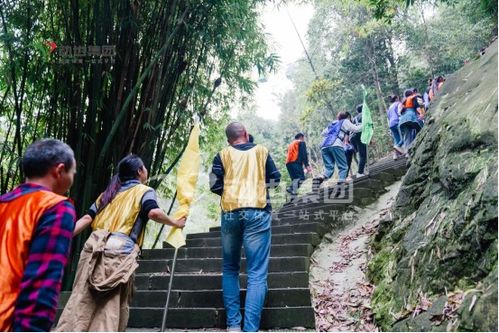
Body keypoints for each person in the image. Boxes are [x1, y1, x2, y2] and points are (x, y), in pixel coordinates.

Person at [56, 154, 186, 331]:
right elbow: (153, 213)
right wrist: (176, 223)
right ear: (140, 171)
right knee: (110, 304)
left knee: (82, 298)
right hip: (119, 250)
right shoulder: (144, 191)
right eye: (144, 167)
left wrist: (60, 237)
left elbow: (87, 217)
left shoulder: (108, 193)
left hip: (93, 246)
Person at [210, 122, 281, 332]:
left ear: (228, 140)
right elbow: (275, 179)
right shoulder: (262, 151)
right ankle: (250, 329)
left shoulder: (221, 155)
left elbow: (215, 185)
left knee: (230, 268)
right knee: (257, 273)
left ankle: (233, 325)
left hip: (231, 212)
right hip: (258, 211)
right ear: (246, 135)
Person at [0, 139, 77, 331]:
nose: (73, 177)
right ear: (59, 171)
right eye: (73, 172)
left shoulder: (3, 203)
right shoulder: (56, 207)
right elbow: (42, 285)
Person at [314, 112, 362, 186]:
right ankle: (341, 182)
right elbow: (355, 129)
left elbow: (323, 133)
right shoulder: (345, 121)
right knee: (343, 166)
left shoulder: (332, 124)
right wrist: (365, 124)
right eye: (350, 118)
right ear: (348, 117)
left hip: (324, 146)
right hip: (335, 144)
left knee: (329, 168)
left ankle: (320, 177)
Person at [285, 132, 311, 198]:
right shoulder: (301, 142)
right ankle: (291, 188)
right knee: (301, 178)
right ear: (301, 137)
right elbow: (303, 154)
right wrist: (307, 165)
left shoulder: (291, 144)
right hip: (295, 162)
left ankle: (293, 197)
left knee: (295, 180)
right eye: (303, 138)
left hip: (288, 164)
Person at [398, 89, 423, 153]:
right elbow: (417, 107)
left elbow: (400, 112)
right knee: (419, 129)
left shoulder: (404, 101)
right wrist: (421, 114)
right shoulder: (413, 98)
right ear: (412, 94)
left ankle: (407, 152)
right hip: (410, 117)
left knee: (407, 135)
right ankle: (418, 145)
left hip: (403, 120)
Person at [349, 104, 368, 177]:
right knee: (363, 155)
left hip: (353, 137)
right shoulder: (365, 115)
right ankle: (360, 173)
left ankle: (362, 170)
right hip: (359, 135)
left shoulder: (355, 118)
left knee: (361, 154)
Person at [386, 95, 404, 159]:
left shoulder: (389, 108)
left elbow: (388, 118)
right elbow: (399, 113)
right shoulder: (398, 103)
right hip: (397, 122)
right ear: (396, 98)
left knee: (396, 140)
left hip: (391, 124)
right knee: (403, 138)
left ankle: (395, 155)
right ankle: (403, 150)